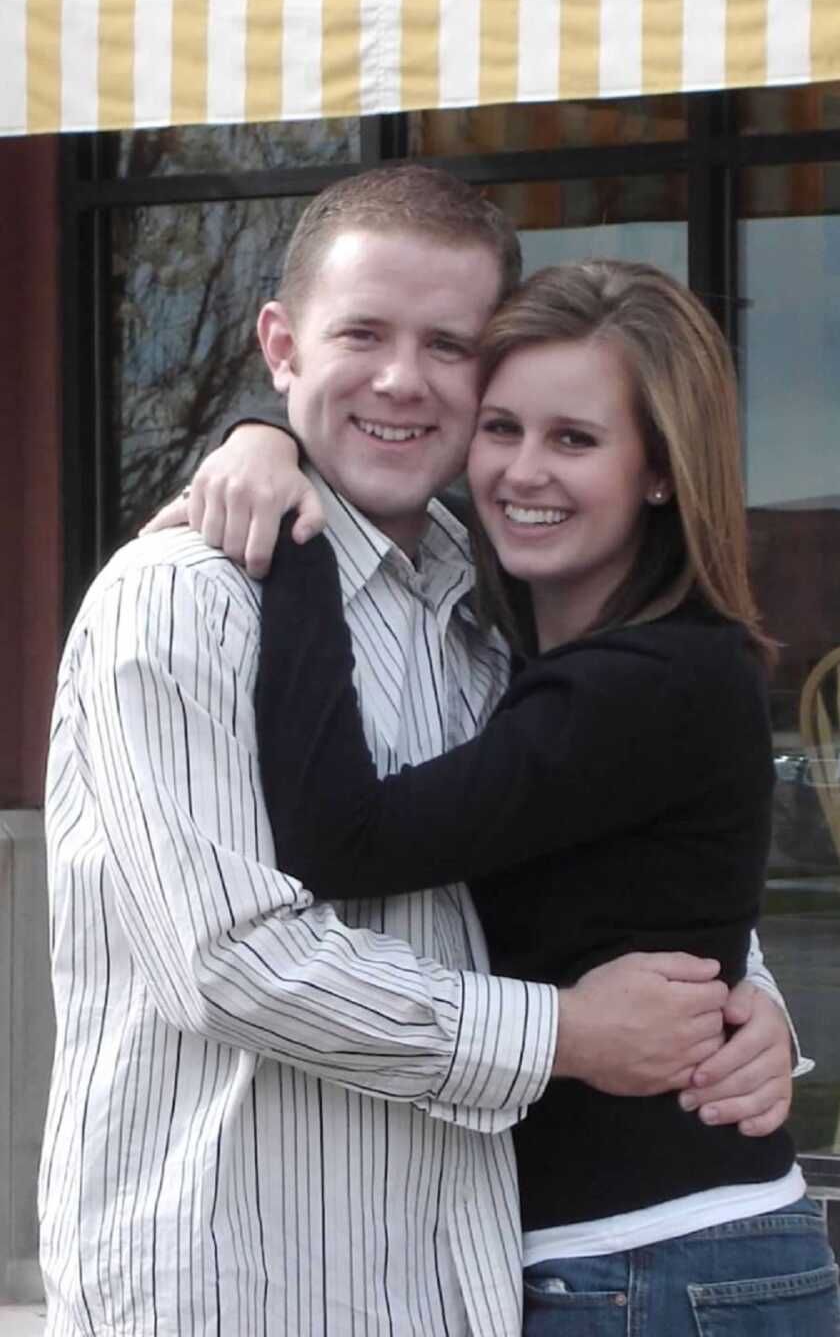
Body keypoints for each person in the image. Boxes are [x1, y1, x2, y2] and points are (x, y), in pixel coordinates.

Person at [78, 165, 786, 1337]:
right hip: (243, 1286)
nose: (404, 379)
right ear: (280, 341)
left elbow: (594, 856)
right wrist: (567, 1033)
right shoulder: (187, 599)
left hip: (464, 1281)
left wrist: (744, 998)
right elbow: (232, 959)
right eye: (363, 332)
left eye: (449, 347)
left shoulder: (482, 612)